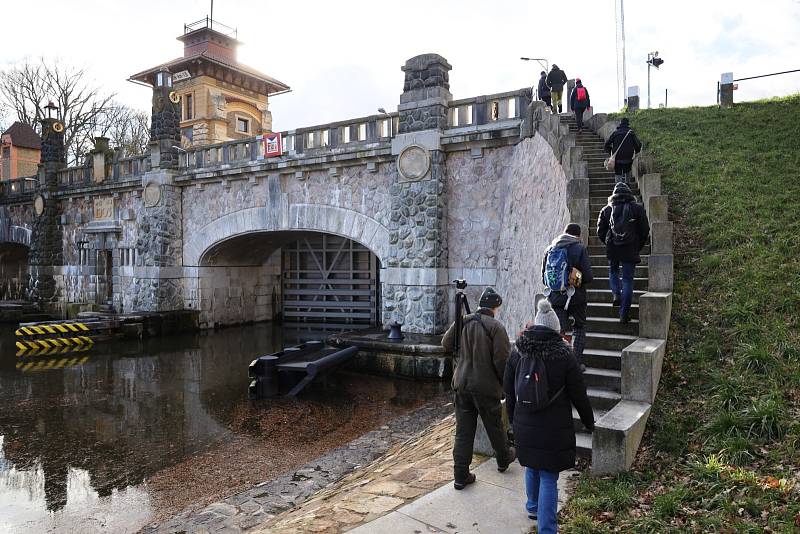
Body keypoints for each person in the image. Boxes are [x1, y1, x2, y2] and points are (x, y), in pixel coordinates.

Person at [503, 299, 595, 533]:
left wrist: (513, 419)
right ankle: (547, 529)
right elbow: (578, 393)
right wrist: (588, 421)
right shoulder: (565, 355)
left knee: (531, 467)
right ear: (556, 329)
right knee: (548, 477)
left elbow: (509, 389)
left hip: (524, 423)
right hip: (554, 427)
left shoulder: (518, 352)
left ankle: (532, 506)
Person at [441, 287, 516, 490]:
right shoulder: (496, 327)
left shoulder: (463, 320)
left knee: (463, 432)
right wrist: (505, 386)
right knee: (494, 426)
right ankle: (503, 459)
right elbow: (502, 361)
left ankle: (460, 476)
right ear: (495, 307)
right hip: (485, 386)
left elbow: (445, 343)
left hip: (462, 384)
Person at [541, 223, 593, 370]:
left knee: (558, 330)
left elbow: (543, 279)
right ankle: (574, 364)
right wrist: (575, 278)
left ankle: (556, 363)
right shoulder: (579, 248)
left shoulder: (550, 249)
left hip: (555, 298)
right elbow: (588, 277)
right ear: (578, 235)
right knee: (579, 327)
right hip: (576, 298)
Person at [597, 182, 651, 323]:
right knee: (627, 280)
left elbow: (600, 231)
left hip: (613, 248)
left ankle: (616, 294)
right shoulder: (637, 209)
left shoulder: (606, 210)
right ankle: (623, 314)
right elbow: (645, 230)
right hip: (630, 248)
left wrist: (608, 242)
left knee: (613, 272)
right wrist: (637, 245)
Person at [603, 117, 643, 183]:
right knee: (627, 170)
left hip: (617, 158)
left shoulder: (615, 133)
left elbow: (606, 145)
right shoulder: (631, 133)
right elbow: (638, 145)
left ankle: (617, 187)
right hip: (628, 158)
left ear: (620, 124)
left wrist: (611, 152)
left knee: (618, 173)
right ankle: (627, 185)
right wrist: (636, 151)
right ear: (628, 124)